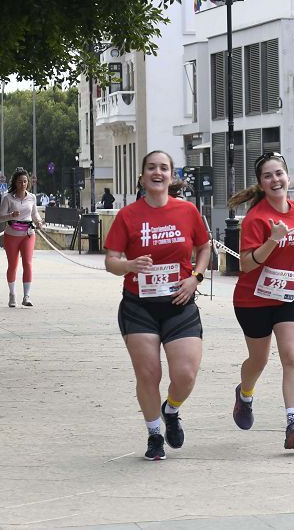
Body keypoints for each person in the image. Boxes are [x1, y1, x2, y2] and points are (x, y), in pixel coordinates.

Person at [103, 151, 212, 461]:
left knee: (186, 374)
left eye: (164, 168)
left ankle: (171, 410)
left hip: (180, 302)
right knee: (148, 374)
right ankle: (154, 434)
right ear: (142, 177)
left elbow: (204, 247)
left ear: (171, 175)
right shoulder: (128, 215)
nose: (157, 172)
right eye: (151, 167)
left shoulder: (187, 211)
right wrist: (129, 265)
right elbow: (111, 261)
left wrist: (196, 277)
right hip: (140, 306)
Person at [229, 151, 294, 450]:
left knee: (292, 356)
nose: (275, 180)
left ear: (288, 177)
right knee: (259, 360)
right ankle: (244, 394)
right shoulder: (256, 218)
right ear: (261, 183)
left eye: (279, 174)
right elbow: (246, 265)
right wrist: (272, 239)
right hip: (253, 299)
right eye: (268, 176)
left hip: (291, 294)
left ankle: (293, 423)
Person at [0, 168, 44, 307]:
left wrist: (39, 222)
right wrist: (11, 215)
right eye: (20, 182)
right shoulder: (8, 197)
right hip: (12, 234)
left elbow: (35, 214)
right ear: (15, 183)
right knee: (13, 265)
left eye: (25, 181)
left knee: (28, 264)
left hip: (28, 234)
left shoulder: (32, 197)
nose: (23, 184)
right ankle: (12, 294)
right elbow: (0, 218)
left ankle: (26, 296)